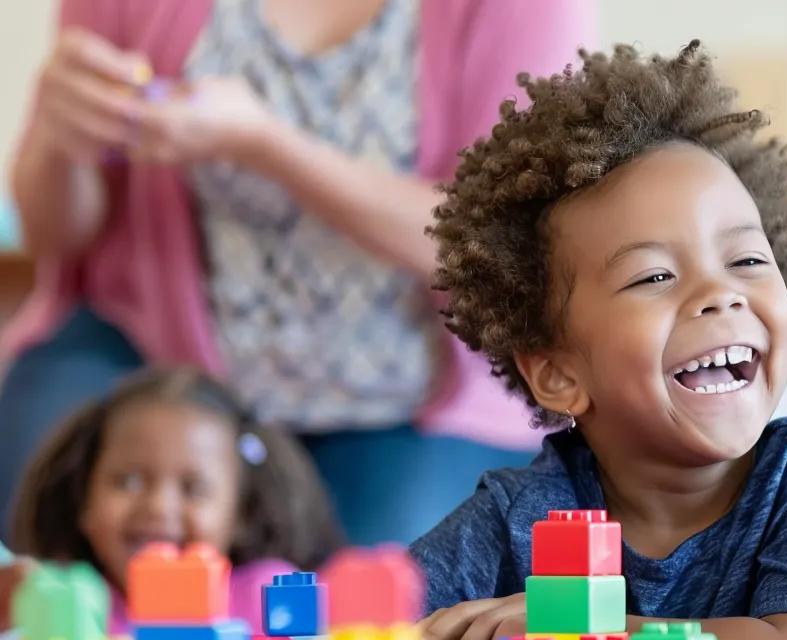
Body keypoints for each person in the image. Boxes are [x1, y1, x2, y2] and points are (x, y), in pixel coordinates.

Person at [0, 0, 594, 545]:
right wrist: (60, 139)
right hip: (153, 352)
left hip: (411, 401)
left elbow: (507, 245)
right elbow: (56, 238)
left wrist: (268, 146)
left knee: (389, 602)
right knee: (46, 513)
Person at [409, 42, 787, 640]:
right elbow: (368, 624)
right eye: (654, 276)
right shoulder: (521, 515)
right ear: (557, 372)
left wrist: (579, 626)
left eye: (745, 261)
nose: (720, 294)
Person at [1, 368, 344, 633]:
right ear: (83, 502)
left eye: (193, 489)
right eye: (129, 481)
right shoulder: (61, 605)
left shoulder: (270, 596)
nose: (158, 507)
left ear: (241, 514)